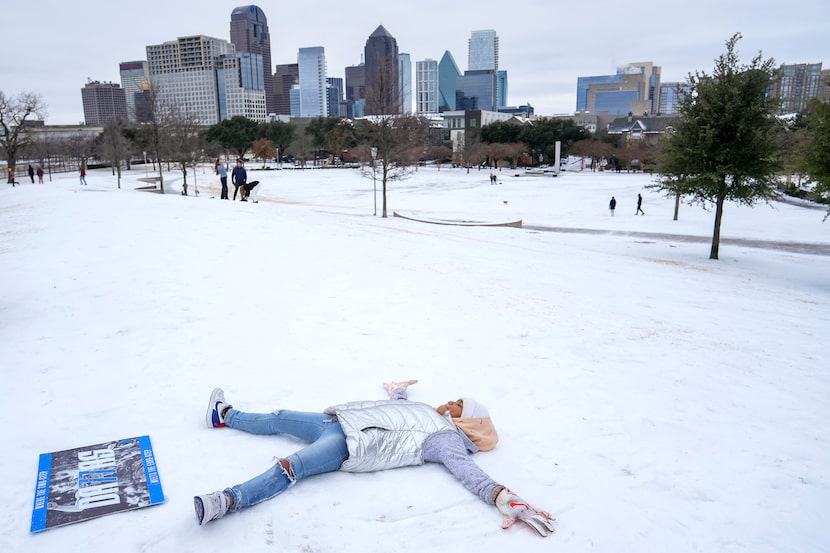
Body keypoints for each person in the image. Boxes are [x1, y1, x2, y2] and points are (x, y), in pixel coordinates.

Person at [193, 381, 555, 537]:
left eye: (460, 402)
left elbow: (468, 472)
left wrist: (502, 496)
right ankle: (225, 415)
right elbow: (398, 408)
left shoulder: (447, 440)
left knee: (289, 467)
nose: (452, 400)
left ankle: (226, 500)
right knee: (279, 417)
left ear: (468, 419)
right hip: (336, 420)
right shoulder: (428, 411)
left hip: (351, 446)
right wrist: (399, 390)